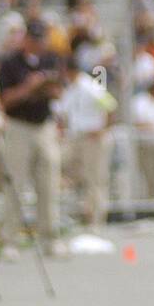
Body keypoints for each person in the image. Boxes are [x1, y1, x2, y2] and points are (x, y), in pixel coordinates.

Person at [0, 18, 67, 258]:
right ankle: (9, 240)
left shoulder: (50, 59)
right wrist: (29, 87)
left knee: (48, 181)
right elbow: (5, 100)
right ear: (26, 39)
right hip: (19, 126)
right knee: (15, 182)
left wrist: (46, 87)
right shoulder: (10, 63)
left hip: (43, 124)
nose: (39, 44)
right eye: (35, 39)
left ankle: (50, 237)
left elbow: (58, 91)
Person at [56, 55, 117, 227]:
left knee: (95, 179)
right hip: (77, 137)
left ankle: (96, 220)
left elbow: (111, 106)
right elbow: (64, 113)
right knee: (66, 171)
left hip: (93, 139)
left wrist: (102, 129)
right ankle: (83, 213)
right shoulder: (71, 89)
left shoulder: (90, 86)